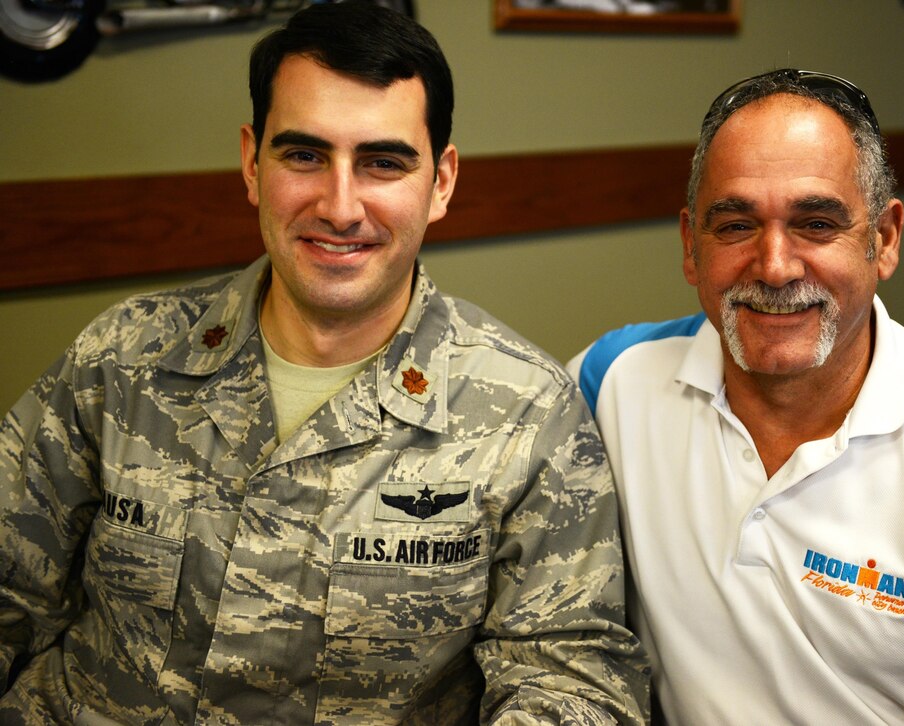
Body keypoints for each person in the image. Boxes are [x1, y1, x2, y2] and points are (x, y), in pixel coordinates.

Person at [0, 3, 649, 723]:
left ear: (441, 181)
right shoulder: (120, 358)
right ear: (252, 162)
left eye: (383, 162)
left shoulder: (528, 414)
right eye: (304, 155)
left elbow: (568, 678)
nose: (341, 207)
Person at [568, 68, 904, 724]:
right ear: (690, 247)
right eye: (734, 226)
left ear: (885, 239)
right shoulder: (610, 384)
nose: (776, 265)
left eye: (816, 223)